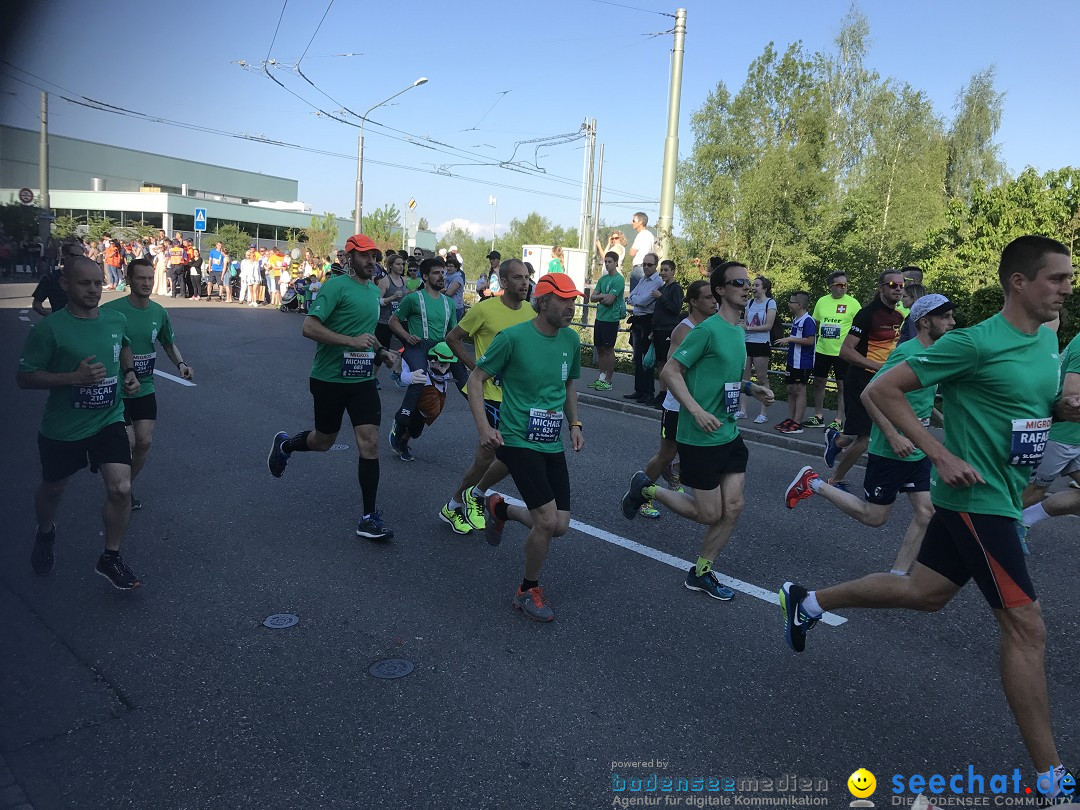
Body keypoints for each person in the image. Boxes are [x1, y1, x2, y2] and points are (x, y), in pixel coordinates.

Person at [779, 236, 1078, 797]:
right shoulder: (972, 343)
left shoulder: (1046, 336)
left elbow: (1028, 403)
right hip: (977, 501)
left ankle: (808, 601)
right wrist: (939, 453)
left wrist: (1059, 408)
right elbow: (884, 387)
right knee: (1026, 626)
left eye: (1068, 277)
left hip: (1006, 496)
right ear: (1018, 281)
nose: (1067, 287)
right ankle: (1051, 780)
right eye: (1056, 278)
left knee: (923, 591)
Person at [623, 261, 774, 601]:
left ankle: (701, 571)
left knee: (733, 508)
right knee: (709, 513)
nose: (745, 287)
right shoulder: (705, 330)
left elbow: (725, 378)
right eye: (738, 282)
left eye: (747, 282)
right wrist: (696, 410)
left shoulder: (738, 331)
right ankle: (648, 491)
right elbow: (671, 372)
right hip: (700, 436)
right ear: (720, 290)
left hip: (729, 431)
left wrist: (751, 389)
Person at [784, 294, 955, 574]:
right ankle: (813, 482)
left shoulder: (934, 353)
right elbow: (869, 394)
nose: (952, 322)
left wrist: (942, 420)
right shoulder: (905, 353)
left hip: (918, 449)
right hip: (891, 450)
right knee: (874, 517)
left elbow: (921, 400)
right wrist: (892, 435)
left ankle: (897, 576)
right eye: (945, 317)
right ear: (925, 322)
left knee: (926, 512)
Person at [16, 256, 143, 589]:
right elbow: (25, 378)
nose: (93, 290)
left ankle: (110, 558)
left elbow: (125, 348)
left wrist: (129, 373)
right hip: (64, 427)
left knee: (122, 488)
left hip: (108, 418)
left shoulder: (115, 320)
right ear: (65, 284)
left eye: (98, 283)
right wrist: (73, 377)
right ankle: (45, 532)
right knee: (54, 488)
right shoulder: (50, 329)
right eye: (84, 283)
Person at [467, 273, 585, 622]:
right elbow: (476, 379)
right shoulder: (513, 338)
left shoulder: (571, 340)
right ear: (543, 300)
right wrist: (485, 427)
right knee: (546, 521)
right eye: (564, 299)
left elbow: (569, 386)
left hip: (550, 442)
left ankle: (500, 510)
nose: (571, 306)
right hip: (518, 439)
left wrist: (574, 425)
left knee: (560, 525)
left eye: (574, 299)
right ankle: (526, 590)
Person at [266, 234, 397, 541]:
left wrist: (382, 352)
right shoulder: (336, 286)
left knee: (370, 442)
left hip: (363, 379)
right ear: (349, 258)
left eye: (374, 256)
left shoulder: (370, 293)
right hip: (329, 378)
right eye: (364, 256)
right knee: (324, 440)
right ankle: (286, 445)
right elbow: (309, 327)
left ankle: (368, 517)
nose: (370, 261)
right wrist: (351, 342)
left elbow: (365, 334)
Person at [441, 258, 536, 535]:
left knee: (502, 455)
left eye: (527, 278)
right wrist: (475, 368)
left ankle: (459, 501)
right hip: (490, 394)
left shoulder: (530, 311)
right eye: (518, 278)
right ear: (504, 282)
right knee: (492, 453)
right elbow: (452, 337)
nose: (524, 283)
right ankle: (469, 497)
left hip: (517, 397)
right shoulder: (484, 310)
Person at [101, 258, 194, 510]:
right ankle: (119, 486)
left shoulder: (158, 312)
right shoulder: (111, 311)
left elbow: (167, 342)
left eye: (150, 278)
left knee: (144, 442)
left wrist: (181, 364)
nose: (146, 283)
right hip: (117, 390)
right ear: (129, 280)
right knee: (128, 442)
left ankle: (125, 487)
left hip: (145, 387)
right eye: (140, 278)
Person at [636, 279, 716, 518]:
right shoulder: (684, 330)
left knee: (706, 450)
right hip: (678, 406)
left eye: (715, 297)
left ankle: (675, 476)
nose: (715, 301)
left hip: (703, 405)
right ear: (693, 302)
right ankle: (641, 494)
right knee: (666, 454)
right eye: (709, 297)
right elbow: (671, 370)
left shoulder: (714, 326)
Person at [823, 270, 905, 492]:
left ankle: (836, 440)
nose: (898, 288)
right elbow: (845, 351)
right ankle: (834, 480)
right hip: (861, 380)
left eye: (901, 284)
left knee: (860, 434)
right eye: (892, 284)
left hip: (882, 382)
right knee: (866, 437)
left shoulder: (898, 317)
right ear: (881, 288)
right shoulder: (867, 314)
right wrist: (877, 366)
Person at [388, 257, 463, 461]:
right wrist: (405, 336)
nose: (442, 276)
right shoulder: (414, 298)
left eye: (443, 273)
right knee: (423, 393)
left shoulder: (448, 303)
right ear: (425, 277)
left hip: (440, 352)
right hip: (418, 348)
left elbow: (452, 335)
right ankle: (401, 426)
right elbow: (393, 321)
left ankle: (405, 437)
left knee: (433, 409)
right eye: (437, 273)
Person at [1019, 326, 1080, 539]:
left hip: (1075, 437)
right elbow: (1074, 397)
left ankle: (1024, 521)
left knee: (1033, 493)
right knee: (1033, 491)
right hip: (1060, 434)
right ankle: (980, 531)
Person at [806, 272, 861, 429]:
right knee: (818, 383)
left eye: (845, 284)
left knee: (842, 386)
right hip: (823, 349)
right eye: (839, 285)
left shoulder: (853, 303)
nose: (843, 288)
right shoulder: (822, 301)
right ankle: (818, 416)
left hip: (842, 352)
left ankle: (838, 420)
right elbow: (816, 322)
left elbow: (859, 327)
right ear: (830, 286)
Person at [773, 291, 817, 433]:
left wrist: (790, 339)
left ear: (799, 305)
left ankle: (797, 423)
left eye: (791, 302)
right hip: (792, 361)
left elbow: (810, 341)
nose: (788, 304)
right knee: (790, 389)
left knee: (799, 390)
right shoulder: (796, 319)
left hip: (802, 362)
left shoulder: (807, 320)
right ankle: (790, 419)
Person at [623, 253, 663, 402]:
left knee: (647, 358)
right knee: (638, 357)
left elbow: (644, 301)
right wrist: (636, 300)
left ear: (655, 266)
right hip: (638, 320)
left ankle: (648, 391)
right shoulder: (642, 279)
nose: (646, 267)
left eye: (649, 265)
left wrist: (635, 300)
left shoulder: (657, 282)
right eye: (644, 264)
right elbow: (632, 296)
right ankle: (639, 389)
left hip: (647, 321)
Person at [739, 275, 776, 423]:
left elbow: (768, 326)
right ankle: (742, 410)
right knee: (743, 376)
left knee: (761, 377)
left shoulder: (770, 303)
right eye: (753, 285)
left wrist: (747, 328)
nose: (753, 288)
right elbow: (746, 320)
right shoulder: (749, 303)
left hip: (761, 343)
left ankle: (763, 412)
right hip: (748, 342)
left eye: (757, 285)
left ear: (765, 288)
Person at [588, 251, 626, 391]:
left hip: (611, 319)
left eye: (610, 261)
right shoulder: (602, 280)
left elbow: (610, 301)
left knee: (609, 349)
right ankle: (601, 378)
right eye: (606, 261)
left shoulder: (619, 279)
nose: (608, 264)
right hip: (600, 318)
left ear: (616, 263)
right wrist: (602, 296)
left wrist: (601, 296)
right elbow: (592, 297)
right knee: (600, 349)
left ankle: (609, 380)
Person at [649, 259, 684, 408]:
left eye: (665, 270)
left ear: (673, 272)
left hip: (669, 329)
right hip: (658, 329)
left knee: (667, 362)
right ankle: (662, 392)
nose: (662, 273)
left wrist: (661, 297)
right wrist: (653, 328)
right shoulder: (663, 288)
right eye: (661, 270)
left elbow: (675, 309)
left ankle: (669, 394)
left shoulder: (676, 288)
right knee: (660, 362)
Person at [627, 212, 656, 292]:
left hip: (639, 268)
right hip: (648, 267)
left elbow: (632, 252)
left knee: (635, 295)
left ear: (640, 222)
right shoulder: (650, 235)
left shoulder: (641, 235)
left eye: (633, 220)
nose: (631, 223)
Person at [444, 252, 467, 322]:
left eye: (451, 266)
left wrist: (442, 290)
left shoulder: (458, 278)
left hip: (456, 308)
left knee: (453, 328)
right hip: (447, 306)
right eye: (447, 266)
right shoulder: (446, 277)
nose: (448, 268)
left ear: (456, 268)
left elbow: (449, 293)